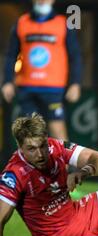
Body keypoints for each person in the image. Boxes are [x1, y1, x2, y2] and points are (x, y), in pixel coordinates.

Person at [1, 0, 82, 141]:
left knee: (58, 132)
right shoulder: (21, 23)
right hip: (26, 88)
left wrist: (75, 83)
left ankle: (63, 163)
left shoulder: (63, 24)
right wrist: (7, 81)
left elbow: (74, 56)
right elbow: (11, 55)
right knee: (28, 135)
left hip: (54, 90)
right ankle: (33, 164)